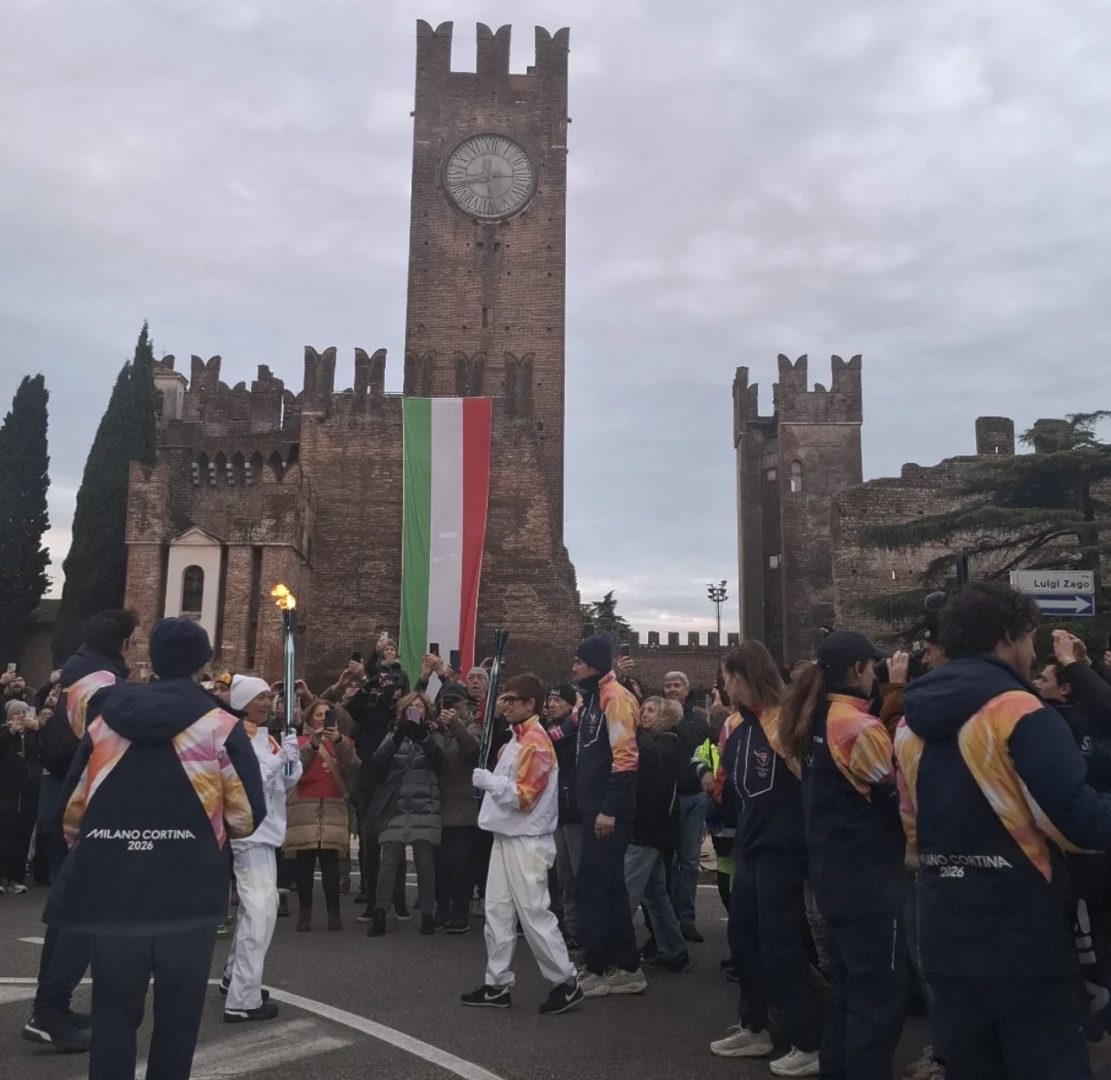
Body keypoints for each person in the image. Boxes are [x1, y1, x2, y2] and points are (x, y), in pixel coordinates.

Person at [898, 582, 1111, 1080]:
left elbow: (911, 830)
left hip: (943, 933)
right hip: (1024, 938)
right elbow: (1077, 824)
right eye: (1029, 637)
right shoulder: (1019, 711)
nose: (1032, 651)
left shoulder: (909, 726)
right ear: (1006, 637)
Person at [43, 617, 265, 1080]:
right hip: (187, 893)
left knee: (113, 1015)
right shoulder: (220, 725)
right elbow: (246, 818)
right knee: (177, 1020)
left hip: (113, 891)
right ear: (203, 661)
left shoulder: (106, 721)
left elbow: (70, 812)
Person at [778, 630, 905, 1080]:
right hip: (869, 880)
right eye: (873, 667)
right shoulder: (857, 725)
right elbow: (895, 798)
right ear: (857, 669)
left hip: (834, 876)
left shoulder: (816, 718)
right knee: (879, 999)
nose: (876, 675)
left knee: (848, 991)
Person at [23, 609, 138, 1053]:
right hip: (83, 806)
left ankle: (49, 1006)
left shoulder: (79, 669)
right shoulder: (101, 684)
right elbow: (111, 746)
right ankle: (50, 1011)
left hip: (63, 796)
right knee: (83, 915)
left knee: (70, 911)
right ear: (124, 643)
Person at [710, 642, 822, 1077]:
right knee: (744, 938)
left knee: (781, 946)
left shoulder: (782, 723)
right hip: (750, 848)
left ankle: (807, 1040)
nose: (724, 685)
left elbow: (809, 785)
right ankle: (754, 1025)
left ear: (741, 678)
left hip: (783, 851)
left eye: (728, 677)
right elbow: (731, 788)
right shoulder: (740, 727)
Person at [463, 673, 583, 1015]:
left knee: (533, 914)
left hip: (527, 840)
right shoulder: (517, 739)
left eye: (513, 699)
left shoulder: (535, 742)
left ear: (531, 704)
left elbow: (525, 798)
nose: (506, 703)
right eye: (505, 698)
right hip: (506, 836)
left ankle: (566, 982)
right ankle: (497, 983)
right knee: (497, 912)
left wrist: (491, 783)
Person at [562, 633, 645, 997]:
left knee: (593, 889)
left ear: (593, 664)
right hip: (591, 811)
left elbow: (626, 758)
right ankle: (625, 966)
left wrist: (609, 809)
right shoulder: (591, 700)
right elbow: (565, 730)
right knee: (609, 889)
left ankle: (598, 967)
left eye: (578, 662)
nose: (573, 667)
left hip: (608, 814)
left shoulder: (616, 699)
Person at [219, 675, 301, 1023]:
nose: (268, 703)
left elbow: (280, 784)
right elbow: (241, 780)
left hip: (266, 833)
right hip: (248, 836)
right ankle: (243, 998)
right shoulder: (234, 736)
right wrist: (277, 760)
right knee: (260, 914)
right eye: (260, 697)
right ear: (242, 701)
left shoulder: (264, 737)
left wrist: (291, 761)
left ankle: (232, 977)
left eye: (270, 697)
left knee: (255, 912)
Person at [366, 691, 444, 937]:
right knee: (389, 861)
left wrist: (422, 736)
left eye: (420, 707)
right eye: (411, 707)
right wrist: (398, 737)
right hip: (396, 804)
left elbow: (439, 758)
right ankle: (380, 911)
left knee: (425, 863)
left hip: (425, 804)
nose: (416, 711)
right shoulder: (393, 734)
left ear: (426, 711)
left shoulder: (433, 734)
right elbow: (377, 762)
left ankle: (428, 915)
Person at [625, 697, 690, 974]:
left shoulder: (664, 746)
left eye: (651, 710)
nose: (644, 714)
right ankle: (673, 950)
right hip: (653, 831)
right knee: (655, 894)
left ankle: (610, 955)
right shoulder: (659, 744)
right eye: (643, 710)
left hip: (648, 831)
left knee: (625, 891)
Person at [285, 698, 359, 932]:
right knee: (304, 865)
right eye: (318, 714)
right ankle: (305, 912)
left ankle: (333, 913)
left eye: (327, 714)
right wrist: (312, 745)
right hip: (304, 804)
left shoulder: (344, 742)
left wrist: (337, 741)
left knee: (331, 864)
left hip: (333, 803)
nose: (323, 718)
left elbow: (354, 767)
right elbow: (294, 769)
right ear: (309, 718)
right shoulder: (298, 742)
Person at [663, 670, 710, 943]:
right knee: (668, 861)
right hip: (669, 798)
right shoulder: (660, 720)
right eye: (668, 685)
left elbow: (706, 752)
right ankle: (668, 919)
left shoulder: (698, 721)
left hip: (694, 797)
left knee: (690, 861)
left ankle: (687, 919)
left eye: (676, 685)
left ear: (686, 688)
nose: (672, 689)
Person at [432, 682, 482, 933]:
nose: (450, 706)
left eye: (455, 702)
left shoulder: (473, 725)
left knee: (460, 861)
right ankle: (441, 909)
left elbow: (473, 751)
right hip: (437, 804)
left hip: (463, 807)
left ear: (464, 704)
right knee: (439, 862)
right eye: (445, 701)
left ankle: (460, 912)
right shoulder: (437, 727)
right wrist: (435, 729)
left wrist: (455, 725)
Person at [545, 684, 582, 948]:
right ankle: (571, 929)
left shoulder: (579, 732)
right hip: (557, 809)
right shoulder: (550, 733)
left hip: (577, 810)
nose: (551, 704)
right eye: (549, 700)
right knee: (564, 876)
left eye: (557, 700)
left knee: (580, 875)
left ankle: (585, 928)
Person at [0, 700, 41, 894]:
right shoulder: (4, 732)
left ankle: (16, 877)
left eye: (25, 713)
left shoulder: (33, 735)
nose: (22, 717)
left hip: (28, 791)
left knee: (22, 835)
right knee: (5, 833)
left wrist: (39, 729)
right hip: (7, 791)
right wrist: (11, 732)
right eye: (18, 714)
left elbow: (45, 752)